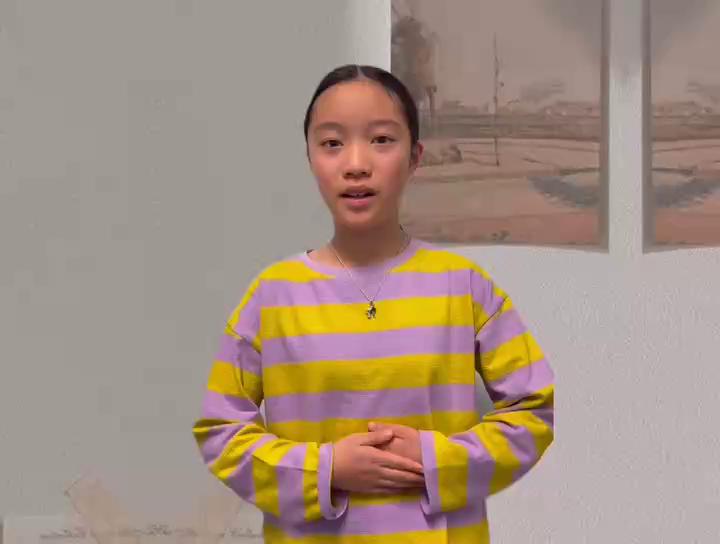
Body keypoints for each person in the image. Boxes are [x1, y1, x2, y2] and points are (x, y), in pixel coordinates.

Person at [192, 64, 554, 543]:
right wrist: (325, 469)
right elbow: (221, 433)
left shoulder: (463, 286)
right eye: (332, 143)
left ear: (415, 156)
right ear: (310, 157)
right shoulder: (272, 295)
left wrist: (436, 460)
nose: (356, 164)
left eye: (382, 140)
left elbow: (534, 410)